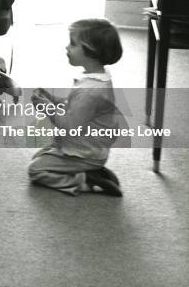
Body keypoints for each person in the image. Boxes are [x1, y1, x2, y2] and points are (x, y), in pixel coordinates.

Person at [28, 19, 123, 197]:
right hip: (86, 146)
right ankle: (93, 172)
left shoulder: (90, 90)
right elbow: (76, 107)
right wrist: (52, 99)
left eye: (72, 44)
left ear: (91, 51)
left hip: (85, 153)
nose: (67, 47)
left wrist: (48, 108)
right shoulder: (97, 77)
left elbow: (69, 125)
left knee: (35, 170)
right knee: (40, 156)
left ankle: (84, 181)